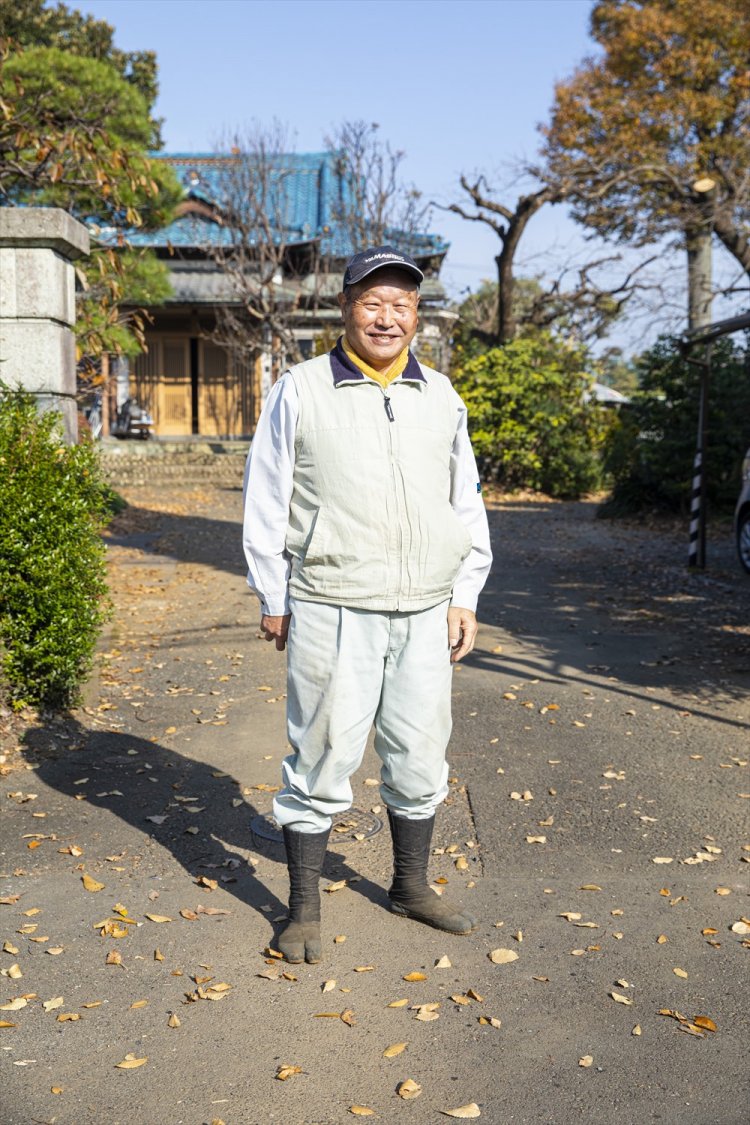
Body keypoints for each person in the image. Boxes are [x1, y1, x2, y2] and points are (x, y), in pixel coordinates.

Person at [242, 246, 492, 964]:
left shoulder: (441, 396)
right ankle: (302, 911)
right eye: (373, 302)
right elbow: (267, 494)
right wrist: (273, 591)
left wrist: (464, 592)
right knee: (320, 753)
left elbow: (464, 501)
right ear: (346, 307)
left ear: (417, 316)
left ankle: (410, 884)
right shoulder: (302, 388)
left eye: (402, 305)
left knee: (419, 752)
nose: (387, 317)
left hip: (423, 607)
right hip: (332, 600)